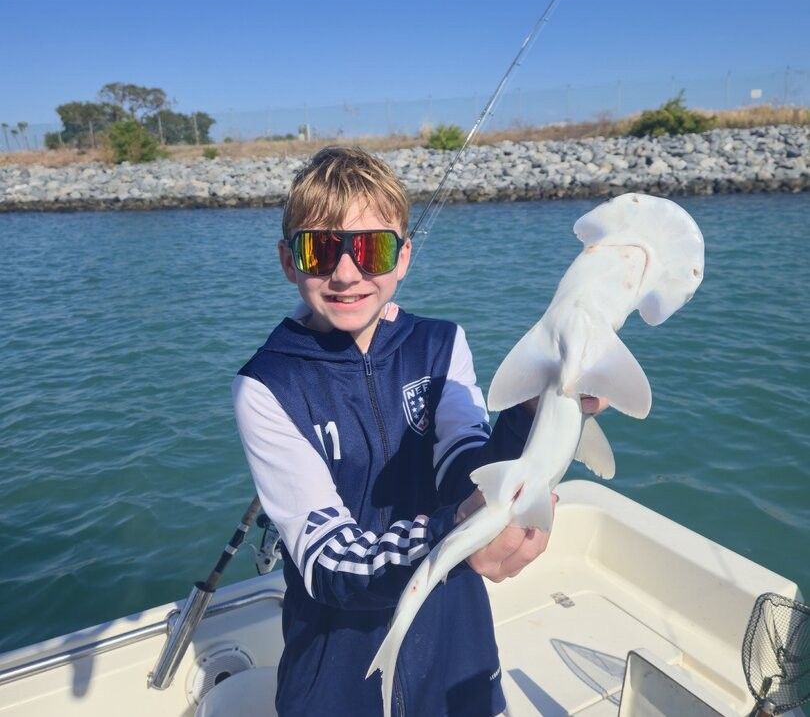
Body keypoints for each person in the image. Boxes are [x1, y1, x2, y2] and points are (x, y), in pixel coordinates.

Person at [233, 146, 606, 717]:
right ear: (289, 260)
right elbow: (329, 561)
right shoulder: (269, 384)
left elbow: (466, 465)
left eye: (372, 248)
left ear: (403, 256)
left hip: (455, 650)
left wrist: (531, 415)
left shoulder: (441, 343)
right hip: (335, 672)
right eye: (319, 249)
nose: (346, 272)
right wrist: (455, 530)